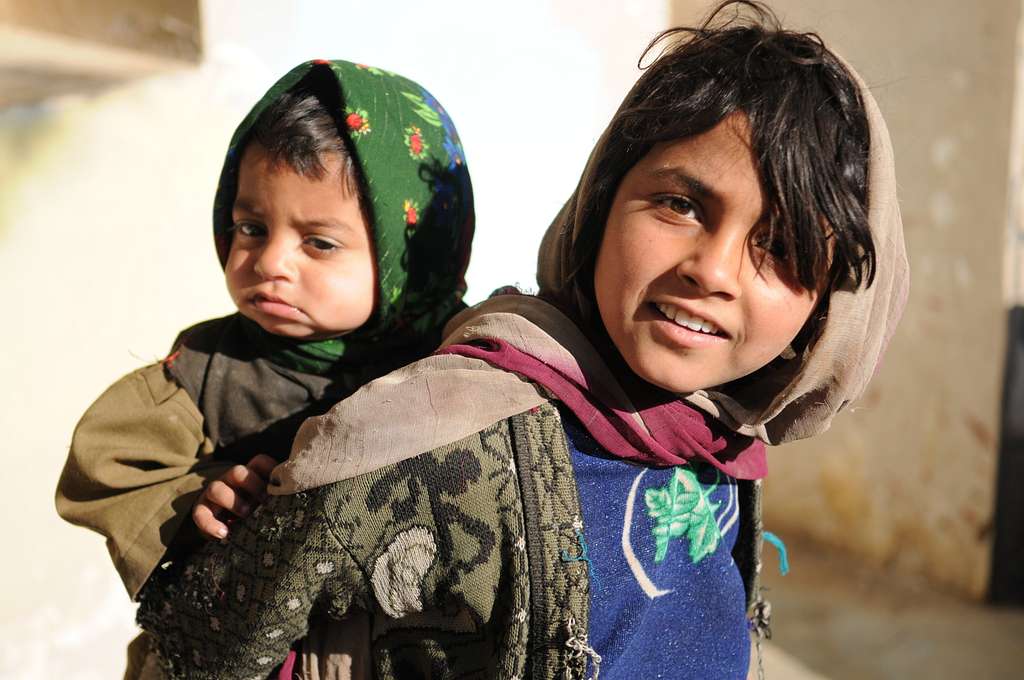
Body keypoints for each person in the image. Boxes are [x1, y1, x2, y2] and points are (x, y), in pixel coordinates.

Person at [136, 2, 909, 678]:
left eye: (780, 245)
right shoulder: (430, 435)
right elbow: (200, 651)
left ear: (828, 308)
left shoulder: (723, 428)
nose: (712, 270)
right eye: (678, 204)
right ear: (603, 202)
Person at [55, 59, 473, 678]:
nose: (269, 261)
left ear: (412, 251)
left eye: (319, 242)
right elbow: (108, 463)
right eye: (251, 227)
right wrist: (196, 497)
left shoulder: (461, 365)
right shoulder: (207, 368)